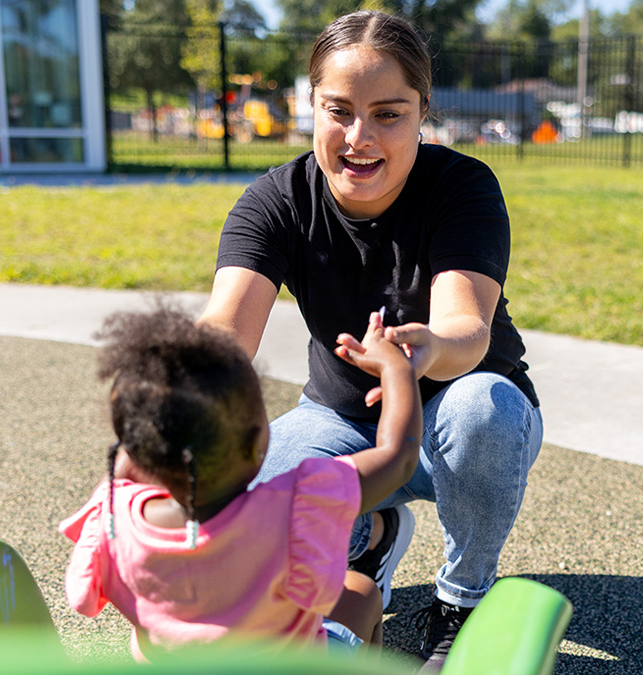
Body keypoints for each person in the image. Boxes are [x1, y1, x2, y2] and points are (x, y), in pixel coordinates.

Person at [197, 10, 543, 671]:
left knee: (483, 411)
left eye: (388, 113)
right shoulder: (276, 200)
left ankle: (461, 598)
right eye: (339, 111)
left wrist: (424, 352)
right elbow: (224, 332)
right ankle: (367, 537)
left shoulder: (460, 186)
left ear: (421, 113)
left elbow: (466, 326)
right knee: (259, 485)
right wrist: (177, 387)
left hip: (460, 413)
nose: (360, 137)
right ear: (311, 108)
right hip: (343, 419)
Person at [58, 308, 422, 661]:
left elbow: (82, 596)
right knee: (363, 592)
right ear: (255, 445)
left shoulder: (112, 513)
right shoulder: (294, 507)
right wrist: (395, 369)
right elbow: (398, 458)